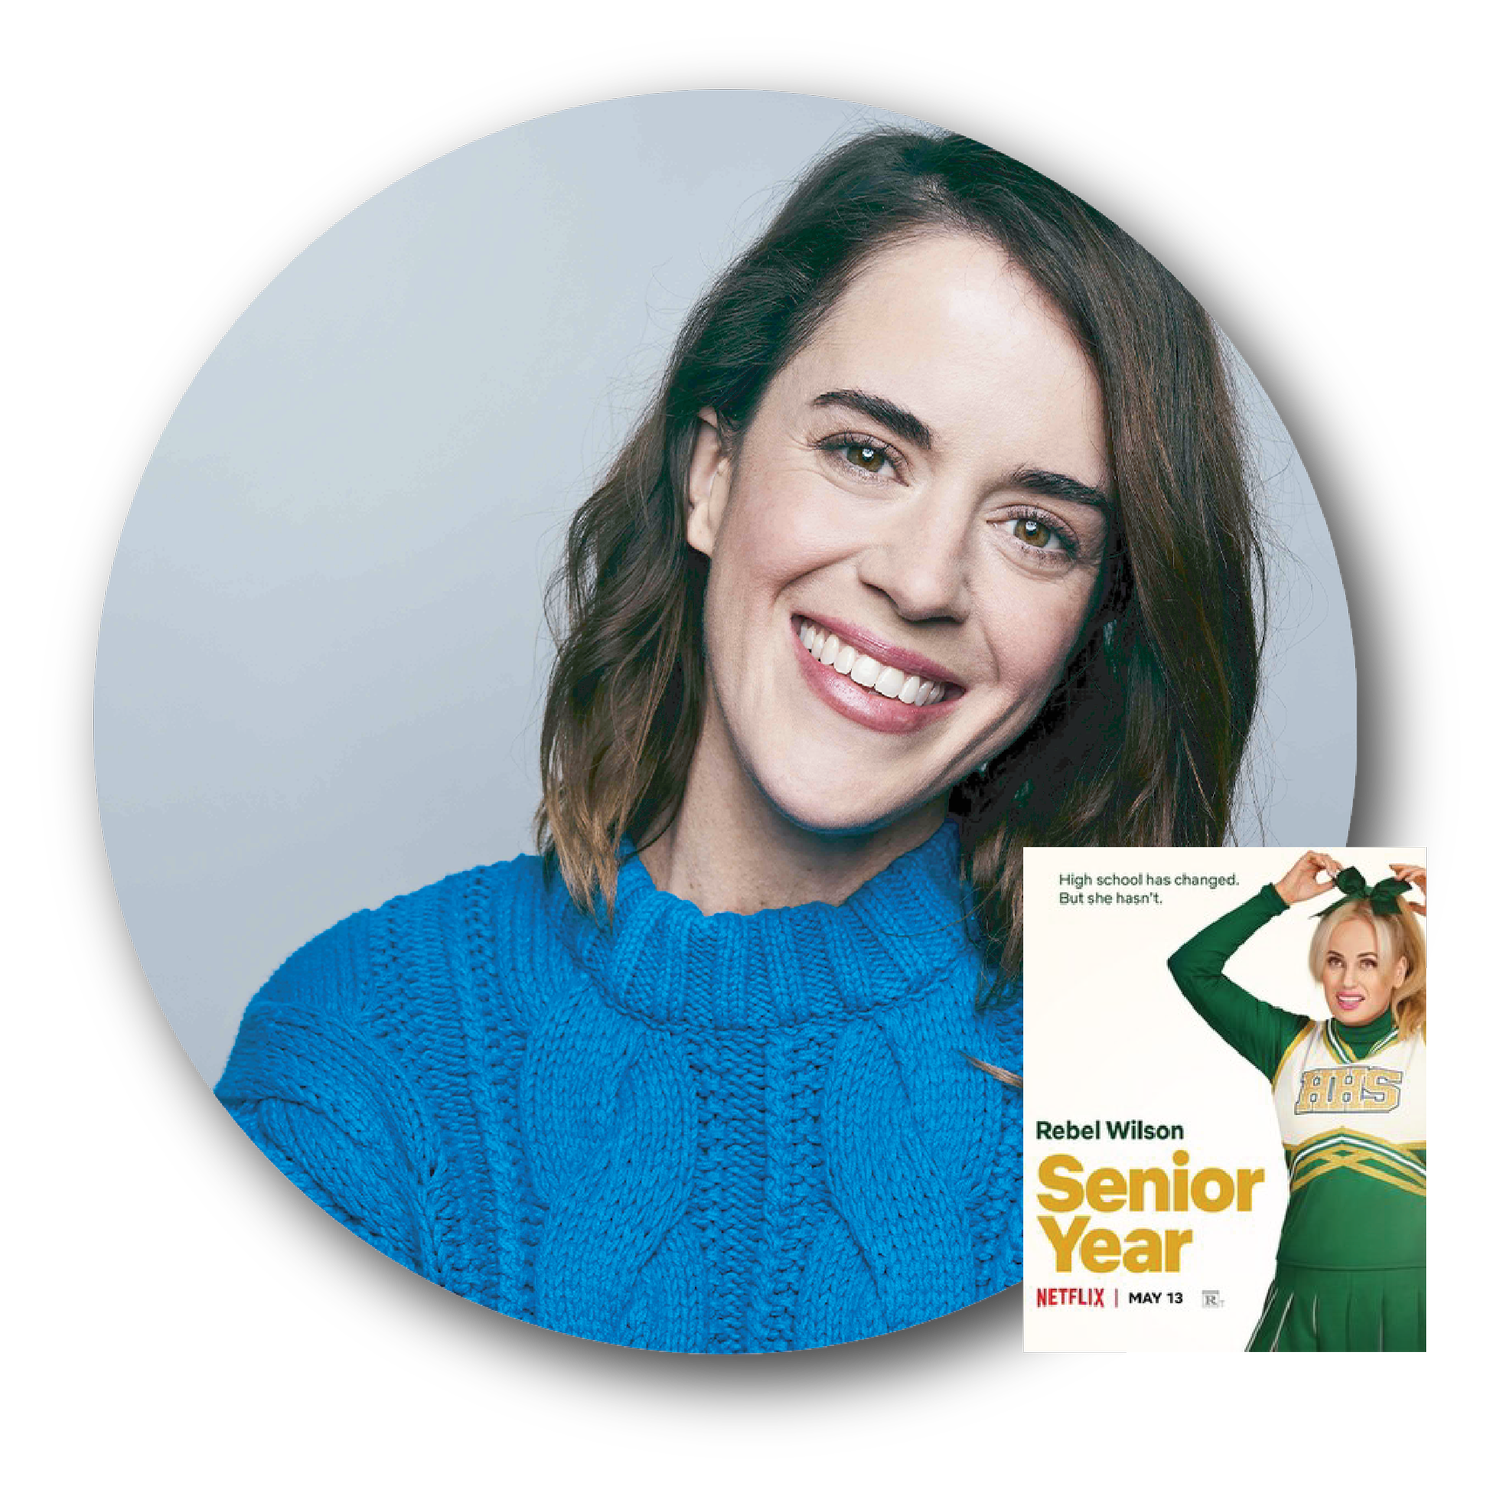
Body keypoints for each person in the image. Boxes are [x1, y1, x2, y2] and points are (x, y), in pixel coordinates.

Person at [215, 126, 1266, 1353]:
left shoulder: (1214, 1043)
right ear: (712, 471)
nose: (924, 580)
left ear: (1097, 618)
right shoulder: (361, 1035)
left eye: (1038, 528)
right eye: (866, 452)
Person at [1167, 851, 1429, 1353]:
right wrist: (1279, 897)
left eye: (1368, 963)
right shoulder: (1288, 1044)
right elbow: (1191, 968)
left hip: (1414, 1294)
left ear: (1400, 970)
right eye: (1336, 961)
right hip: (1300, 1295)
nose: (1348, 982)